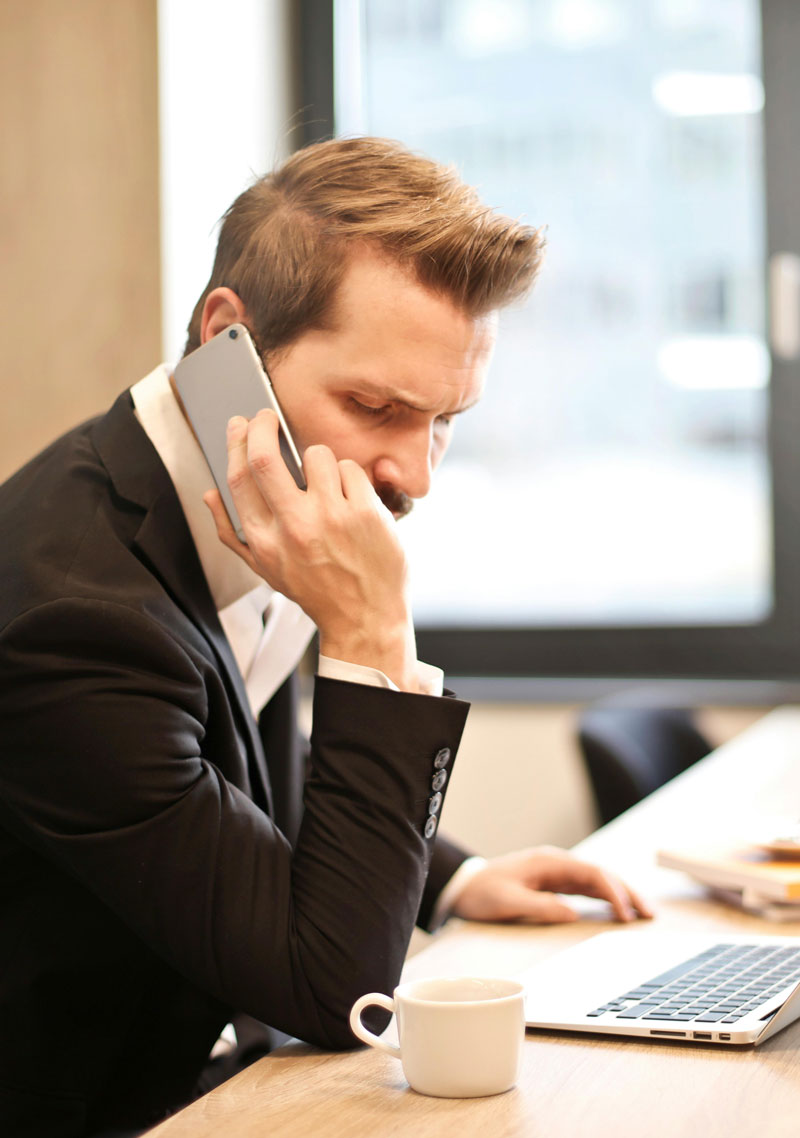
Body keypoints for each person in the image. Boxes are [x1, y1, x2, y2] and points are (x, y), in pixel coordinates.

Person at [0, 136, 650, 1137]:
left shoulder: (235, 490)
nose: (413, 474)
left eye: (442, 421)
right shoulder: (74, 618)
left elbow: (234, 772)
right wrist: (369, 631)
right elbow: (335, 991)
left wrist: (455, 876)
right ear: (230, 344)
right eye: (375, 406)